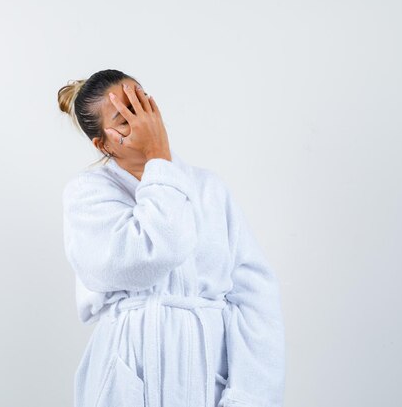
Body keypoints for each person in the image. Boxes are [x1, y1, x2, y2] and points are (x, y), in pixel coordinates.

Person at [57, 69, 285, 407]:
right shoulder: (88, 193)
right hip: (129, 376)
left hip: (208, 379)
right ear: (102, 143)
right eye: (124, 118)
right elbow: (157, 251)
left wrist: (249, 396)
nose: (142, 122)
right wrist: (159, 161)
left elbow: (256, 300)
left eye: (143, 105)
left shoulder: (209, 189)